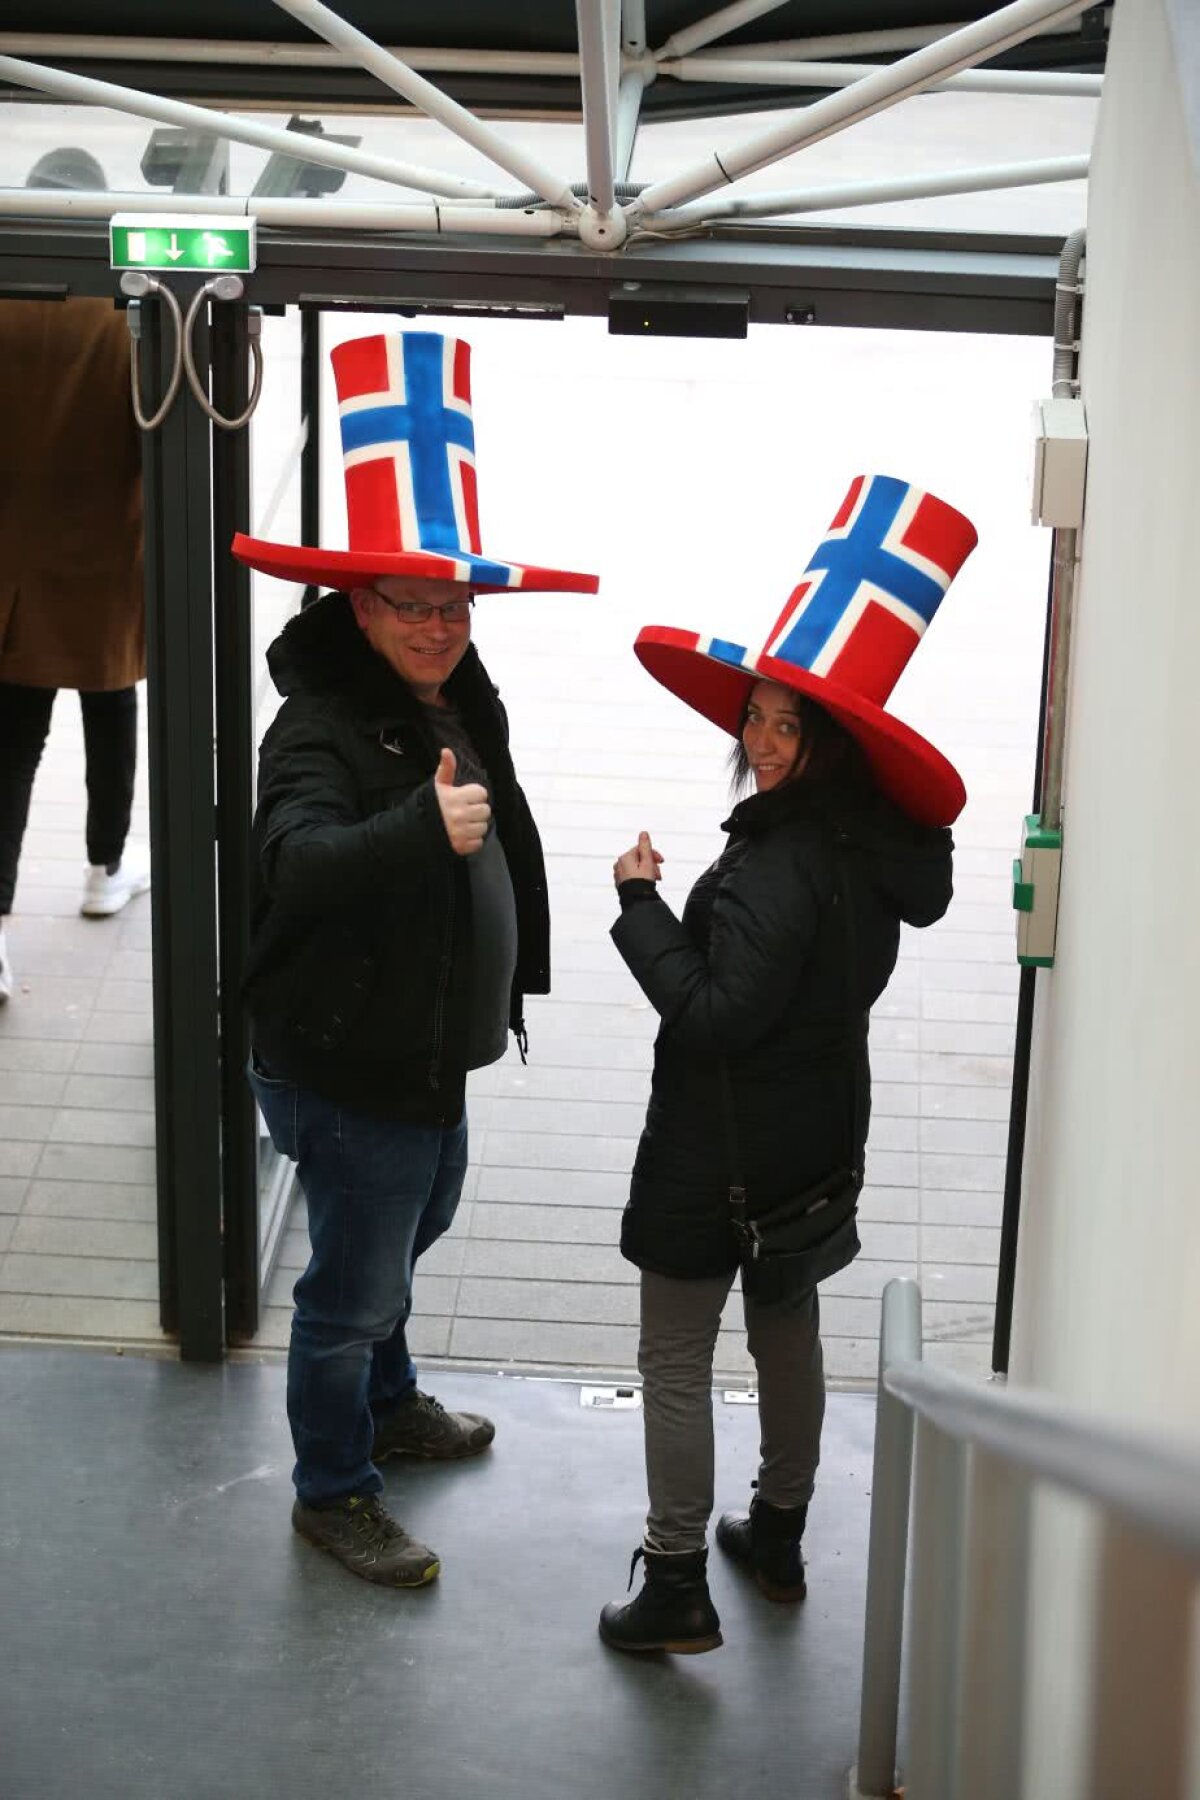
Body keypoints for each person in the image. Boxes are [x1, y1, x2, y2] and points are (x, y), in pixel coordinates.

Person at [231, 328, 598, 1588]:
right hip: (346, 1065)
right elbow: (294, 861)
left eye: (457, 604)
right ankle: (334, 1492)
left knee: (413, 1224)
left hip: (422, 1053)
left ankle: (389, 1400)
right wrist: (414, 828)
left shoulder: (448, 689)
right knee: (347, 1289)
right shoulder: (316, 729)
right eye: (415, 605)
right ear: (358, 603)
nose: (443, 625)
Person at [598, 473, 978, 1653]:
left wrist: (640, 904)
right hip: (816, 1136)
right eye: (754, 718)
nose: (756, 741)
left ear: (829, 746)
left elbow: (714, 1014)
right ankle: (777, 1530)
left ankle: (673, 1580)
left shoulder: (774, 868)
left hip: (715, 1150)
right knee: (788, 1326)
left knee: (674, 1355)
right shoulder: (870, 849)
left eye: (784, 724)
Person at [0, 149, 149, 1004]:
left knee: (11, 752)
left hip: (9, 574)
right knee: (113, 709)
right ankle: (104, 866)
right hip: (103, 561)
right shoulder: (122, 309)